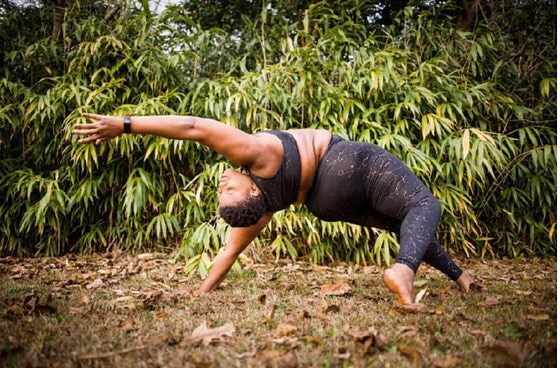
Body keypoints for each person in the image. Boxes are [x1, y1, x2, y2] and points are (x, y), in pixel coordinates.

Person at [72, 113, 475, 305]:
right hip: (340, 163)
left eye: (222, 188)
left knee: (403, 223)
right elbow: (194, 129)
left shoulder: (263, 210)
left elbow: (228, 253)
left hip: (324, 204)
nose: (222, 183)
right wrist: (124, 126)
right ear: (250, 194)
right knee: (423, 204)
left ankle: (460, 277)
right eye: (228, 190)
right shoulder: (255, 155)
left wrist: (199, 293)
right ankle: (404, 270)